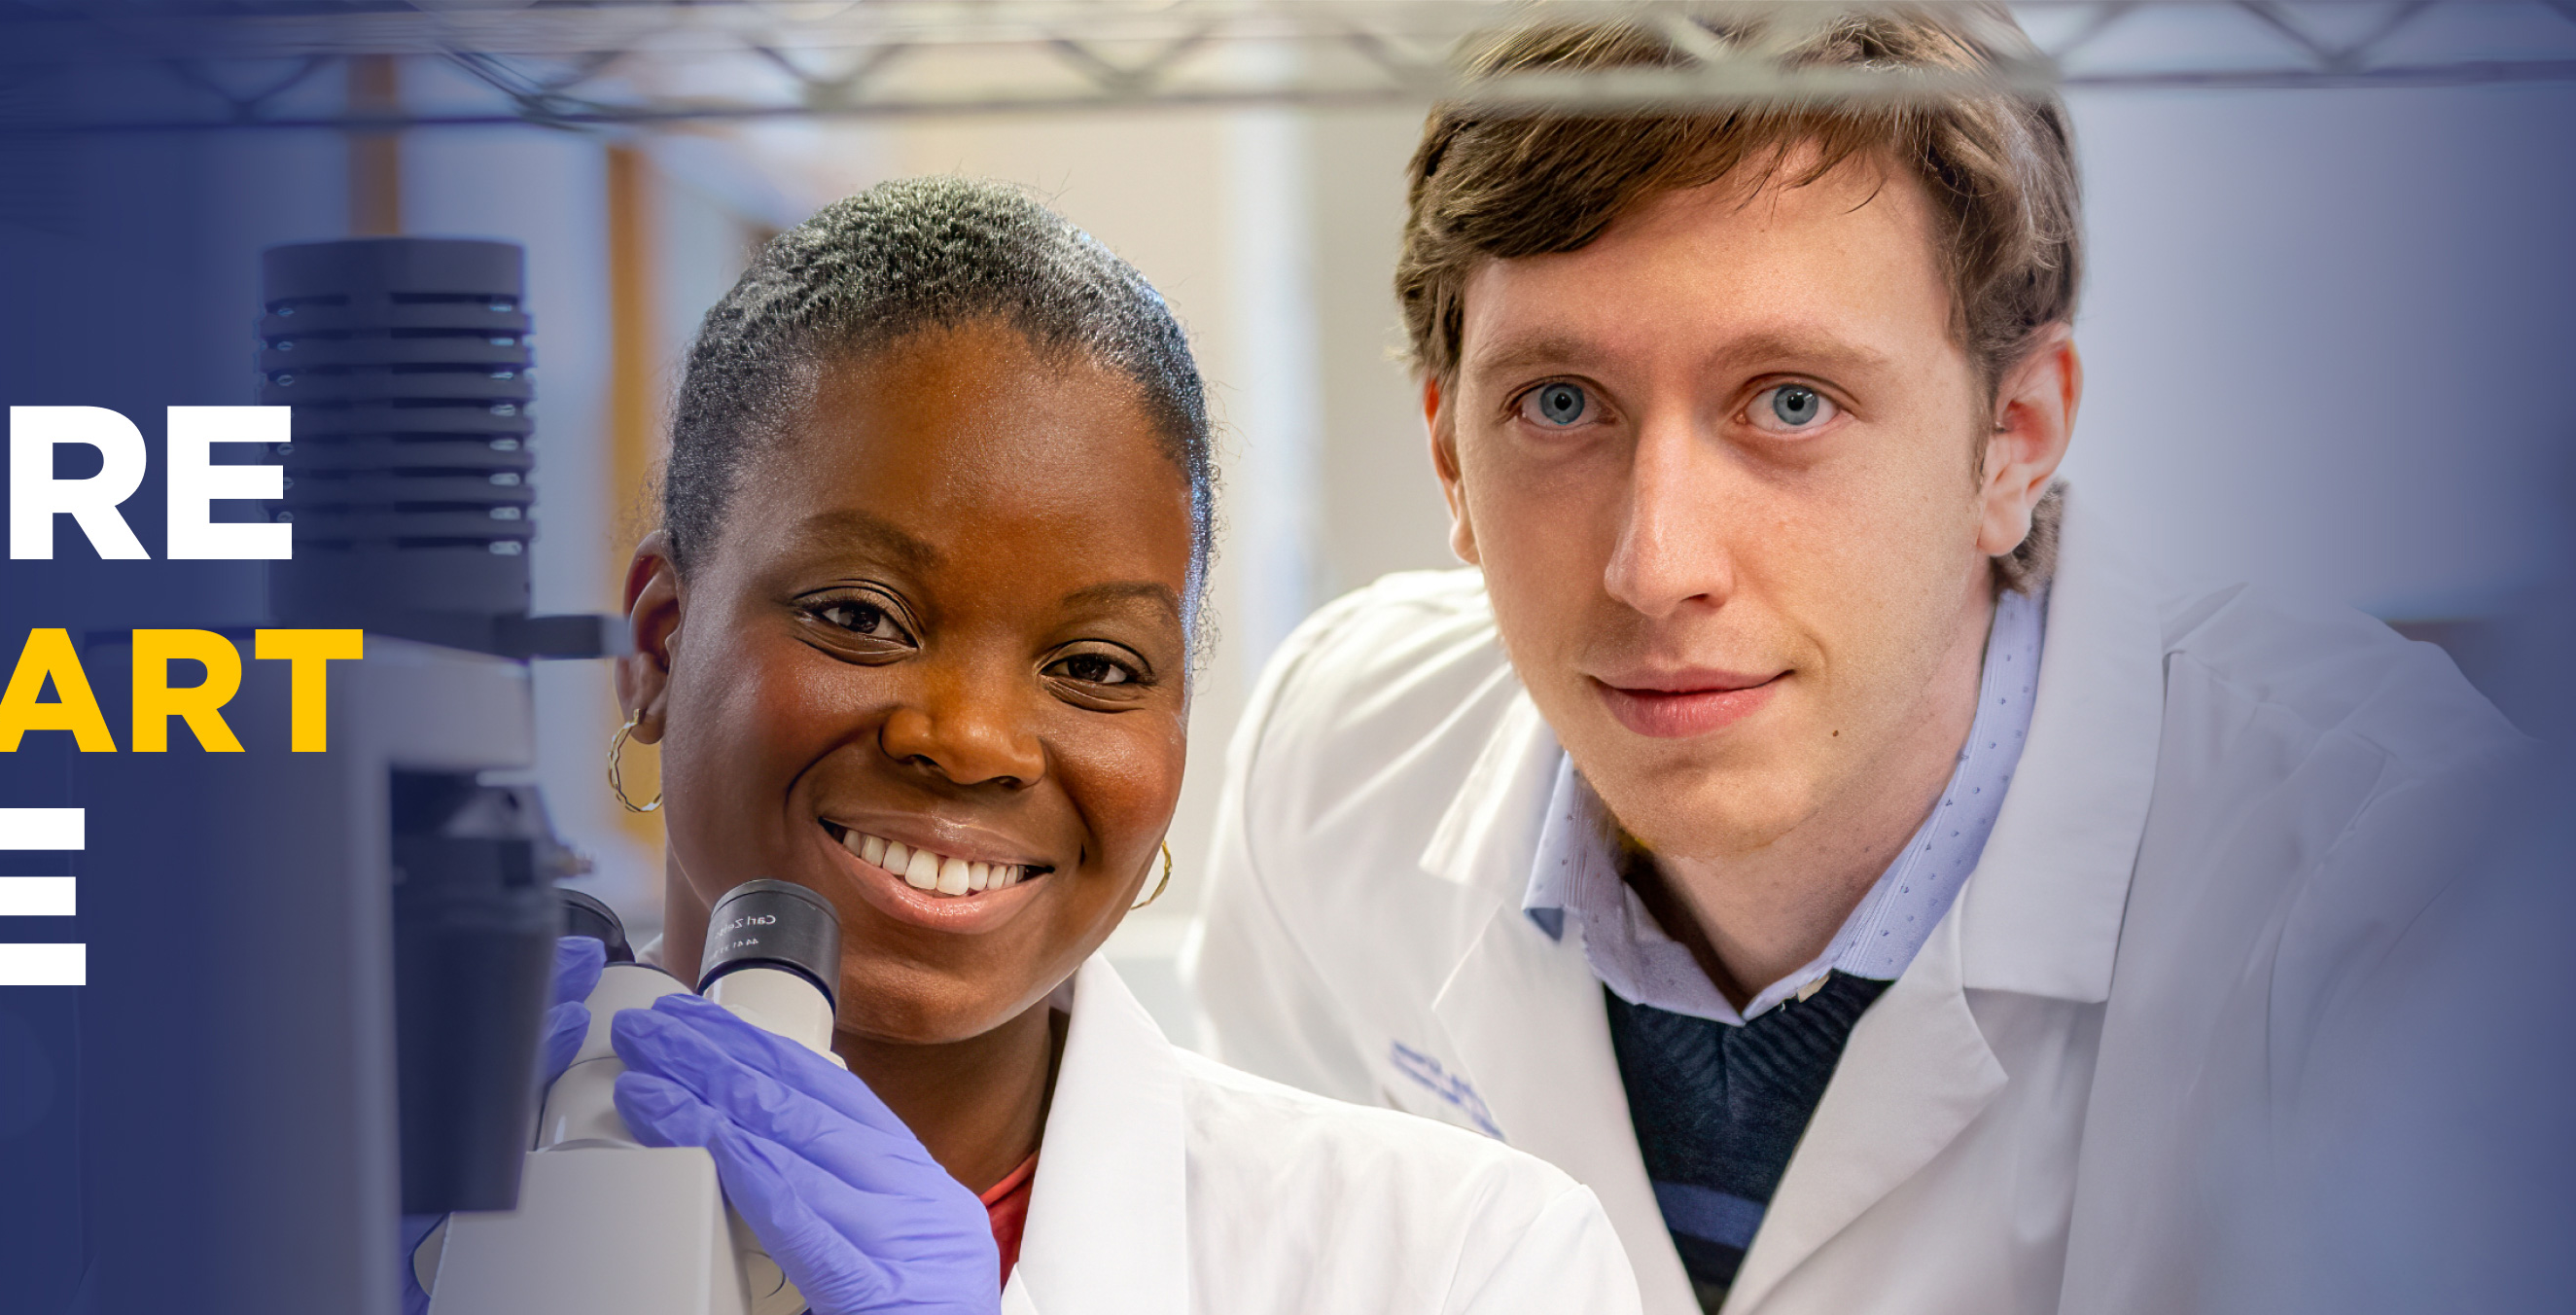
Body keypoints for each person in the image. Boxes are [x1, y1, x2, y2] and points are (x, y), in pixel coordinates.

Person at [1177, 10, 2534, 1315]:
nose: (1656, 565)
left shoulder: (2404, 884)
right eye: (1560, 404)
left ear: (2015, 437)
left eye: (1789, 403)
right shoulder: (1340, 761)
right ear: (1448, 453)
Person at [580, 176, 1641, 1314]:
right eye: (859, 615)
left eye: (1095, 667)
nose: (973, 740)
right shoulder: (392, 1181)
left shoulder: (1459, 1262)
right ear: (657, 645)